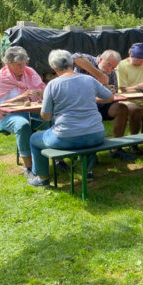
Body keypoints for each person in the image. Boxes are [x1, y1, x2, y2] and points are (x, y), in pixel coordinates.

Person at [27, 50, 113, 186]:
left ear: (54, 68)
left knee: (34, 139)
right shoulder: (89, 79)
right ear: (72, 64)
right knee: (86, 132)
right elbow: (109, 97)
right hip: (96, 134)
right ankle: (88, 172)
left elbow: (46, 116)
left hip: (67, 137)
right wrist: (92, 100)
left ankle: (42, 178)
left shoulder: (53, 85)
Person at [0, 46, 49, 175]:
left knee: (50, 120)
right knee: (22, 125)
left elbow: (44, 92)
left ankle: (58, 159)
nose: (23, 68)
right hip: (8, 115)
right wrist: (22, 96)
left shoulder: (30, 72)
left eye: (24, 64)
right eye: (19, 65)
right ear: (8, 63)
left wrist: (38, 93)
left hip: (32, 112)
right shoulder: (0, 77)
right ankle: (28, 167)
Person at [73, 49, 135, 161]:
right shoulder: (90, 60)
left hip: (101, 105)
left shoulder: (111, 73)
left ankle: (116, 149)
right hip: (82, 107)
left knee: (122, 108)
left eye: (113, 68)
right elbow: (75, 57)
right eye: (108, 65)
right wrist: (99, 74)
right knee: (89, 114)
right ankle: (89, 154)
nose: (110, 70)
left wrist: (110, 93)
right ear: (100, 59)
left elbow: (113, 93)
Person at [116, 43, 143, 136]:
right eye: (138, 61)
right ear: (131, 56)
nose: (141, 63)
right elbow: (122, 89)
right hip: (128, 99)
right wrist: (139, 86)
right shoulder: (121, 65)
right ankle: (135, 141)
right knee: (135, 110)